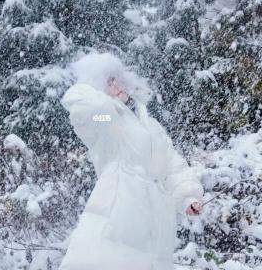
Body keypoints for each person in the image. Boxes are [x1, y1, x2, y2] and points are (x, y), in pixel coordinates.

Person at [59, 52, 203, 270]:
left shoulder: (151, 125)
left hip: (156, 230)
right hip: (120, 221)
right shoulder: (107, 120)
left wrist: (188, 196)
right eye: (108, 81)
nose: (117, 85)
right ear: (96, 85)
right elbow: (87, 113)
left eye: (117, 79)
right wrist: (100, 94)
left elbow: (172, 165)